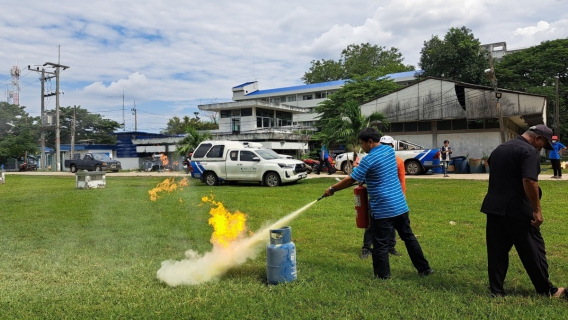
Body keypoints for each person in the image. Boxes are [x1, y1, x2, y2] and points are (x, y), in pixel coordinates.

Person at [322, 128, 433, 279]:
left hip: (383, 209)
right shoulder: (389, 152)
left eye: (363, 144)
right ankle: (425, 269)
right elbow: (381, 174)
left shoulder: (368, 159)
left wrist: (332, 189)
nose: (362, 147)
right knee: (409, 237)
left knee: (380, 244)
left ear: (370, 142)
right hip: (400, 205)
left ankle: (382, 276)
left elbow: (352, 179)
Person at [480, 124, 566, 298]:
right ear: (537, 138)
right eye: (543, 144)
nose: (542, 148)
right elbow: (529, 181)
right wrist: (537, 210)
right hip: (518, 208)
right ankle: (547, 290)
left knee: (497, 251)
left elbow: (491, 165)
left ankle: (496, 291)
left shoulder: (500, 148)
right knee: (533, 249)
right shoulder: (528, 151)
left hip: (494, 207)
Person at [361, 135, 405, 259]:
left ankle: (391, 246)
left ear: (392, 147)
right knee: (371, 224)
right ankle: (366, 247)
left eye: (388, 146)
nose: (386, 148)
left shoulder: (398, 161)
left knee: (392, 226)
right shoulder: (372, 159)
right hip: (378, 200)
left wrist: (403, 196)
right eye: (383, 145)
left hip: (394, 200)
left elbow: (401, 181)